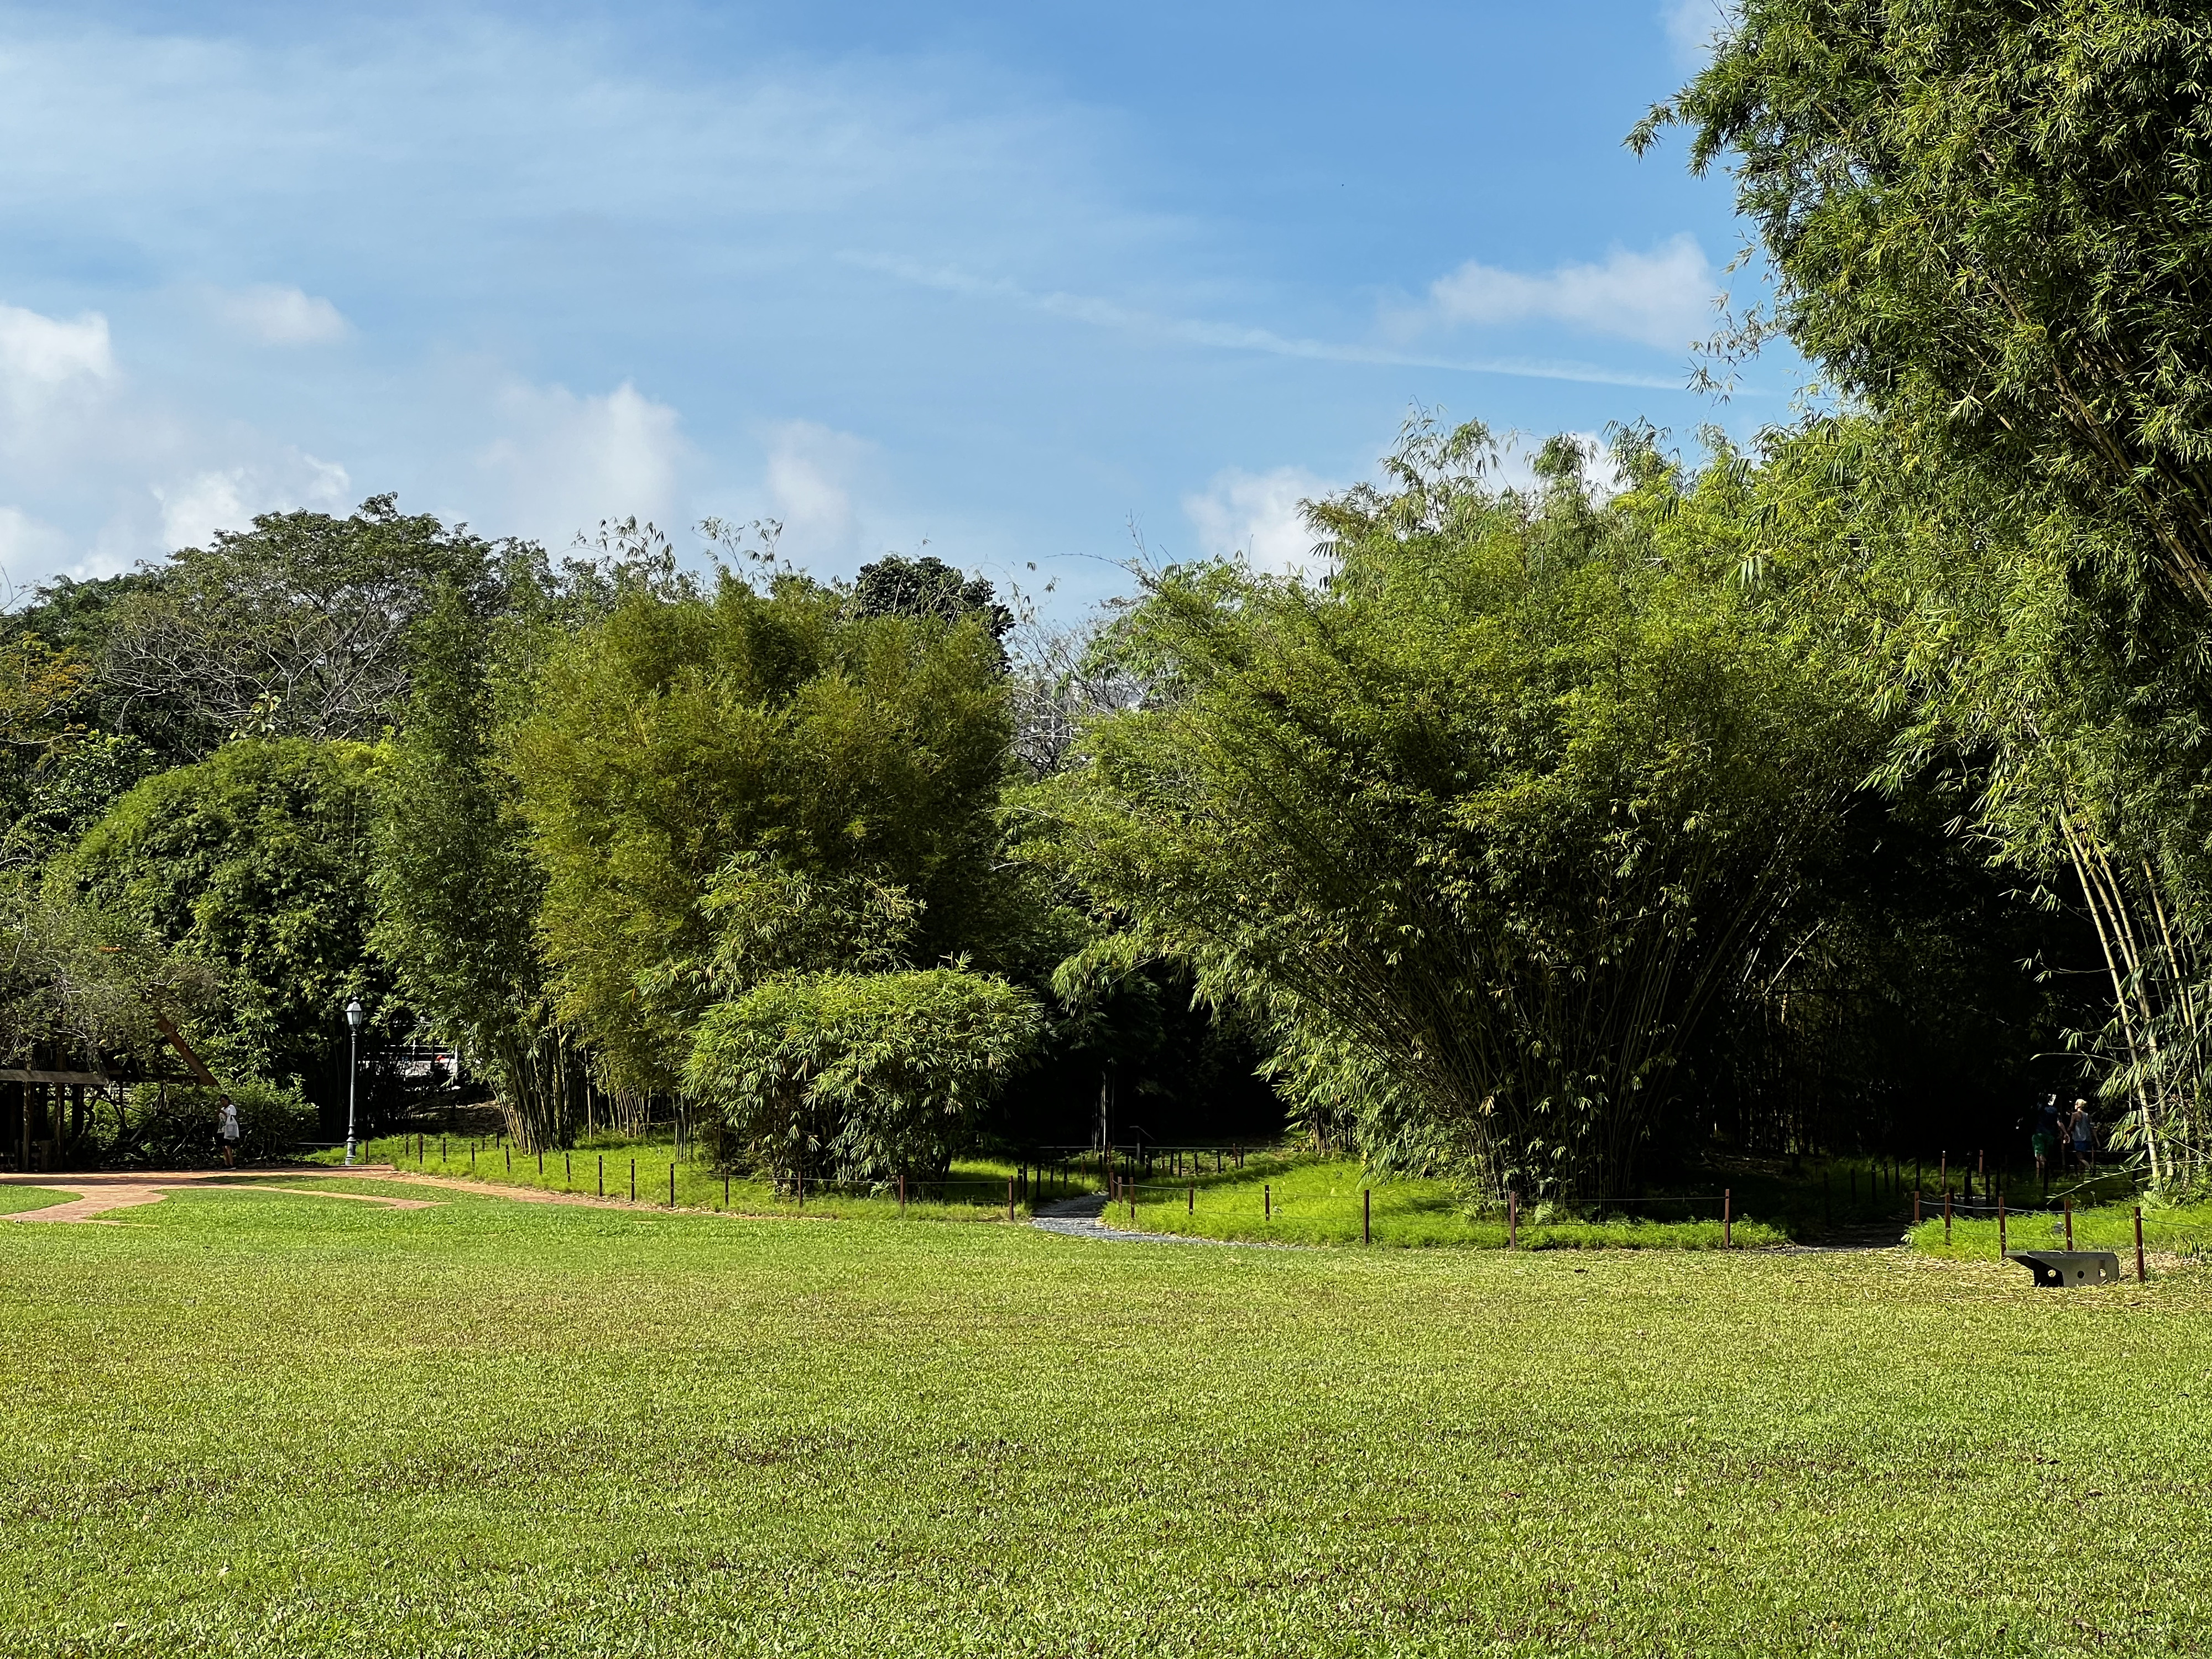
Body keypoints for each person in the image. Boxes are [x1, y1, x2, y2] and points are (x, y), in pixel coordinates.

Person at [2031, 1094, 2059, 1187]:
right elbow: (2059, 1122)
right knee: (2045, 1155)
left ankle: (2045, 1177)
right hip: (2050, 1135)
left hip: (2040, 1134)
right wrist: (2065, 1133)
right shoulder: (2054, 1110)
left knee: (2039, 1156)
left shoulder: (2039, 1107)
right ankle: (2040, 1177)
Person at [2068, 1098, 2095, 1175]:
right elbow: (2091, 1127)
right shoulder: (2087, 1115)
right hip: (2088, 1138)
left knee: (2080, 1158)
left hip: (2079, 1138)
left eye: (2076, 1104)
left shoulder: (2075, 1115)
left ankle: (2089, 1167)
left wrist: (2066, 1133)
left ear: (2079, 1106)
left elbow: (2071, 1126)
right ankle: (2081, 1174)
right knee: (2083, 1157)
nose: (2075, 1106)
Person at [216, 1097, 241, 1168]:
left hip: (228, 1128)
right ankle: (226, 1163)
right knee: (223, 1147)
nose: (222, 1102)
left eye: (223, 1101)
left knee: (228, 1146)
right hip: (222, 1129)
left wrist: (223, 1113)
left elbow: (231, 1117)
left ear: (227, 1100)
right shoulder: (223, 1108)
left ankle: (231, 1164)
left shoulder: (231, 1107)